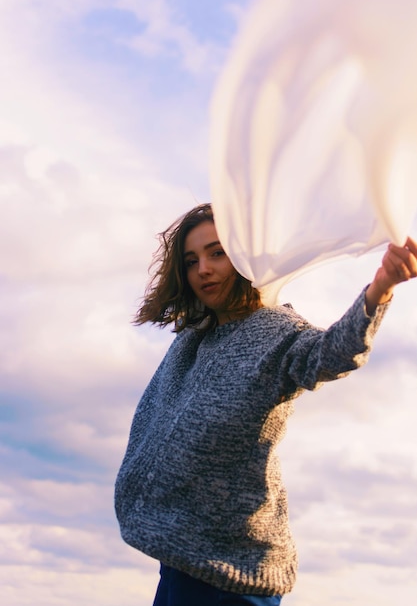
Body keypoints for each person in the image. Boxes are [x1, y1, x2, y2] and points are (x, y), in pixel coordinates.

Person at [115, 203, 417, 606]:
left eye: (217, 253)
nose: (203, 268)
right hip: (179, 558)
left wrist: (379, 289)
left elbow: (329, 355)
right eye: (192, 260)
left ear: (244, 256)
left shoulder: (277, 330)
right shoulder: (192, 340)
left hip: (235, 575)